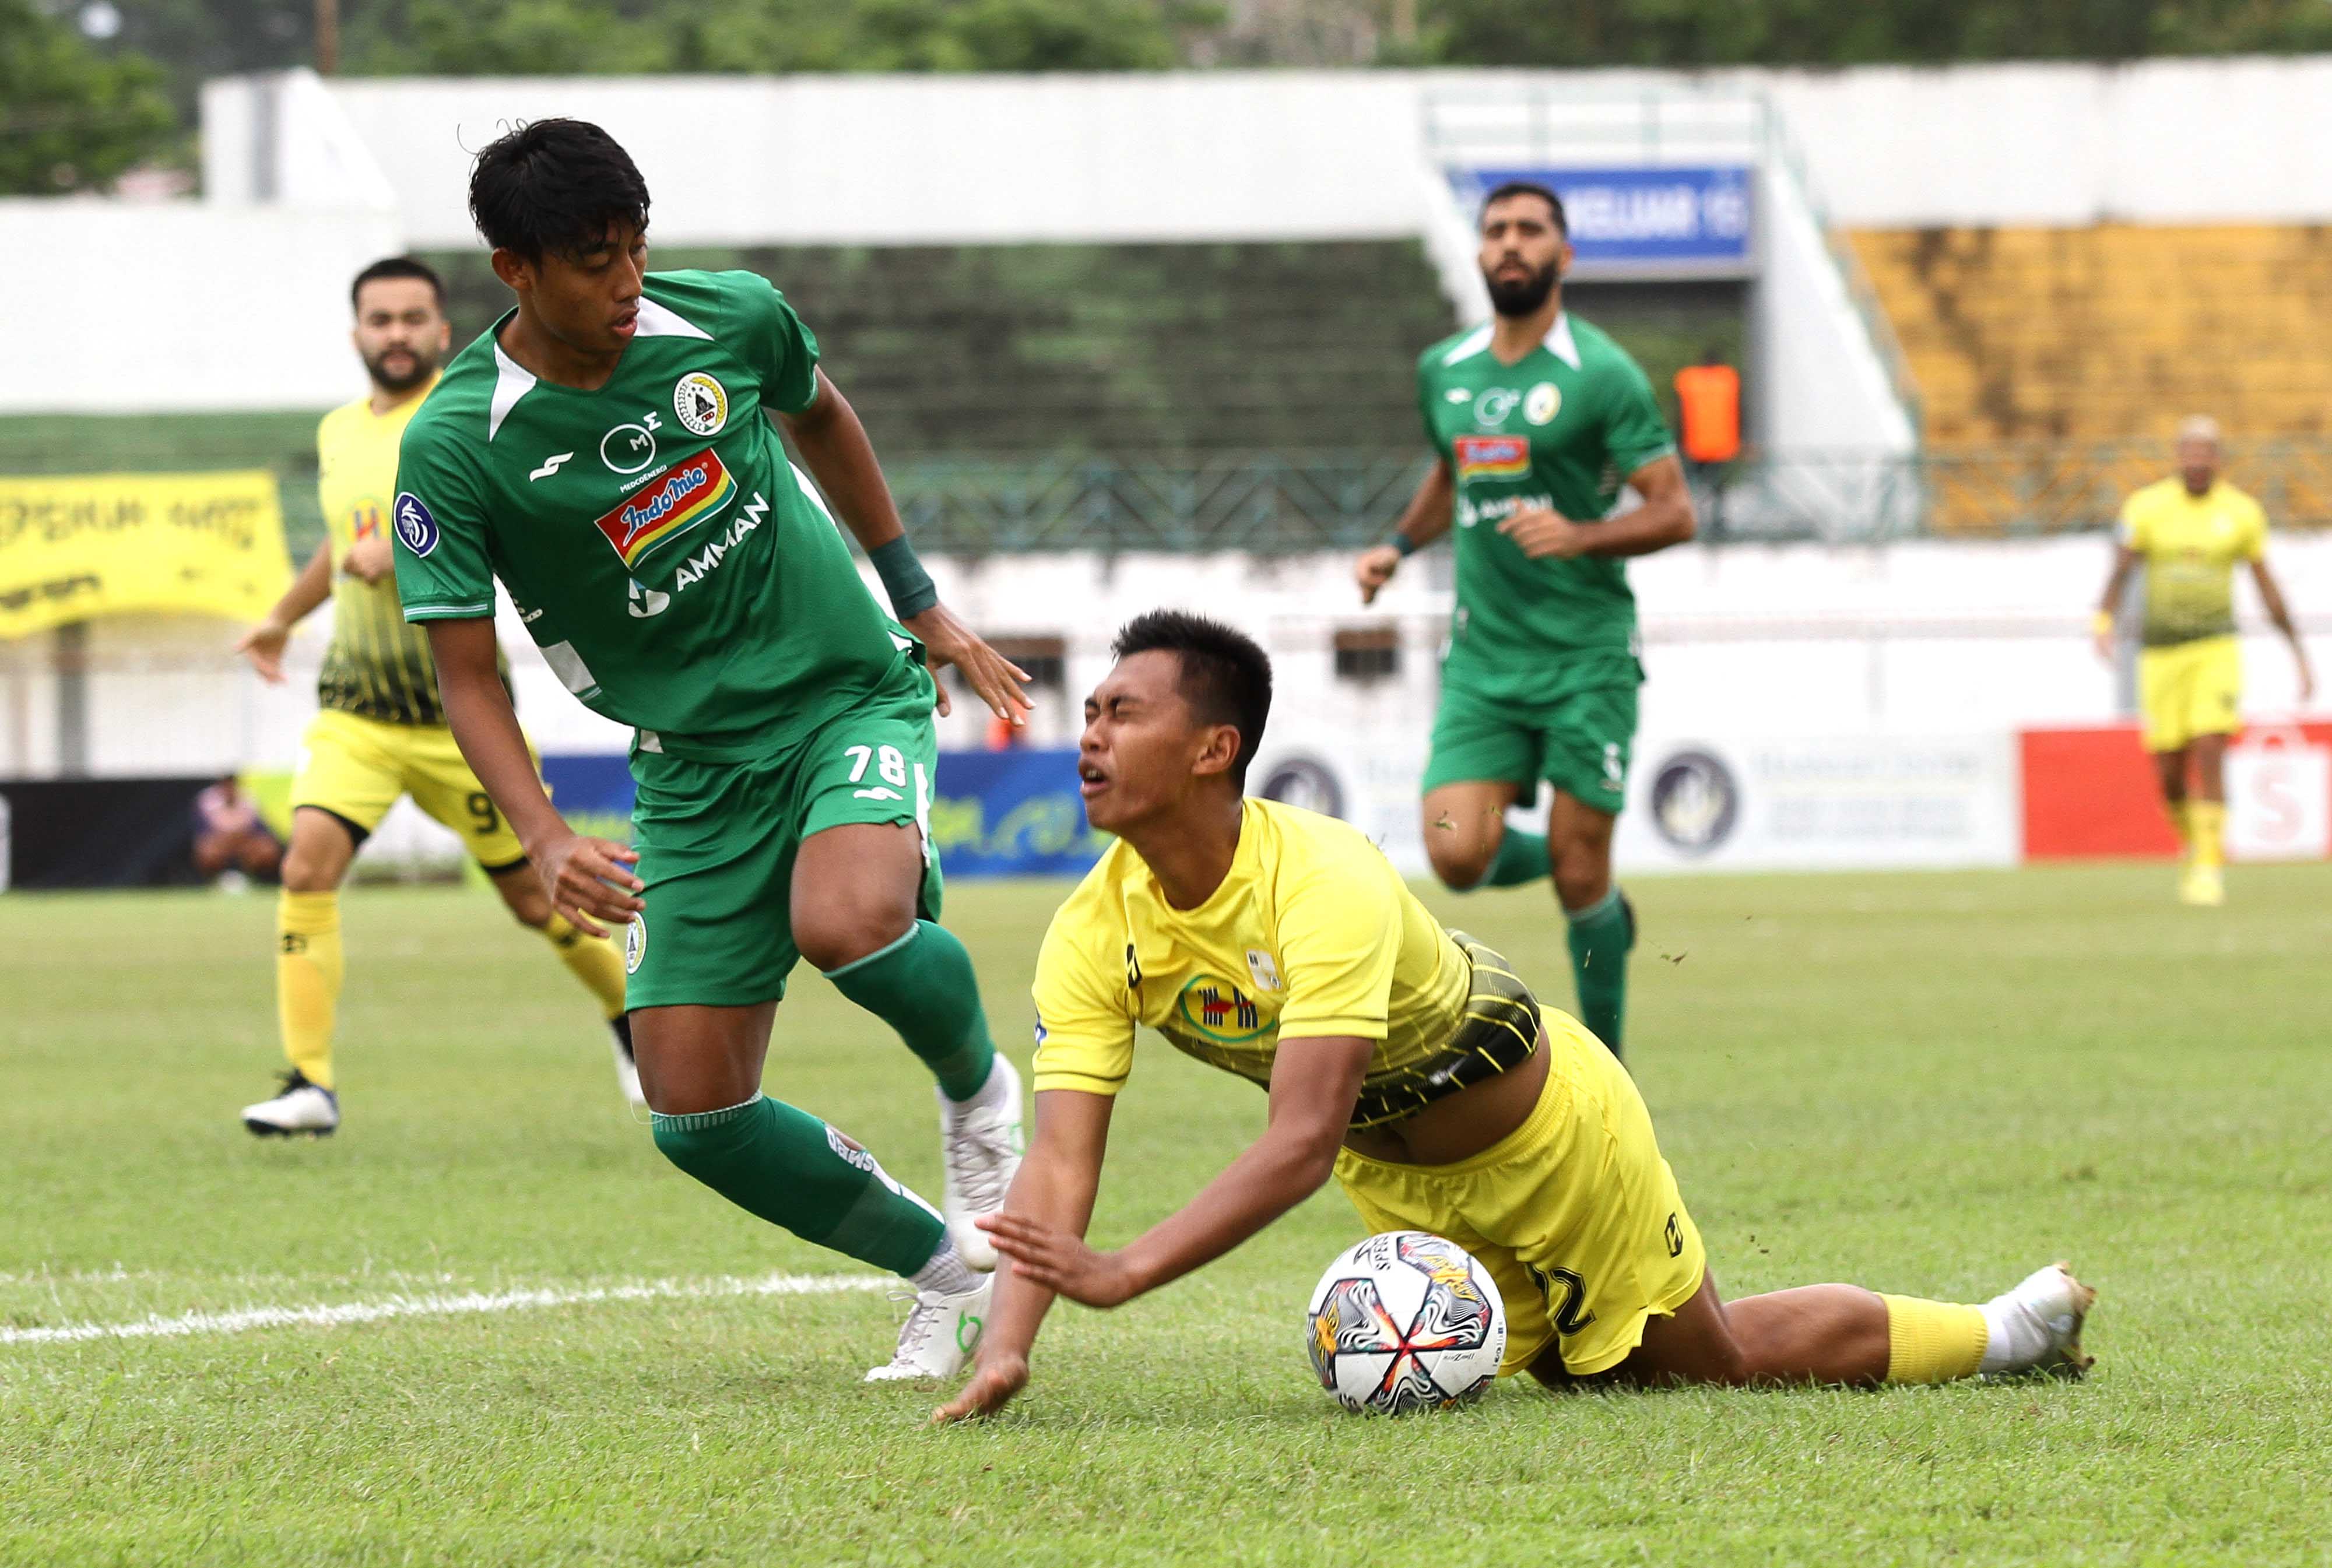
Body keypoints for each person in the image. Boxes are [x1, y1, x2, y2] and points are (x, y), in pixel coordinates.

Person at [936, 611, 2096, 1423]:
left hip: (1550, 1139)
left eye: (1118, 712)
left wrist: (1128, 1270)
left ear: (1210, 748)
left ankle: (2002, 1333)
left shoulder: (1322, 874)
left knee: (1707, 1371)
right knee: (1586, 1388)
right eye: (1085, 712)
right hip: (1398, 1189)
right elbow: (1058, 1160)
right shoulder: (1089, 933)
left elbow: (1296, 1141)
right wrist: (1007, 1347)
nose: (1084, 733)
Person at [391, 119, 1031, 1381]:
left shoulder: (730, 317)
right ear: (512, 270)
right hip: (688, 763)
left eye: (636, 250)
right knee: (692, 1111)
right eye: (592, 261)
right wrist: (544, 833)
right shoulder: (459, 441)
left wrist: (918, 600)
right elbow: (463, 670)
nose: (627, 284)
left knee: (844, 921)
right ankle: (945, 1273)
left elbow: (823, 414)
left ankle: (980, 1097)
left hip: (846, 691)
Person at [235, 256, 636, 1138]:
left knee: (539, 902)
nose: (396, 334)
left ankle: (629, 1019)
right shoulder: (339, 432)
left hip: (459, 718)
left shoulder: (467, 421)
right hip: (358, 712)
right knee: (306, 863)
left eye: (413, 318)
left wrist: (410, 558)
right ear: (357, 335)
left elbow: (513, 536)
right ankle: (310, 1082)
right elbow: (344, 544)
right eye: (380, 320)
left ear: (442, 331)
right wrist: (279, 619)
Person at [1353, 180, 1695, 1059]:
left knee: (1580, 872)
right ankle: (1599, 894)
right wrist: (1397, 543)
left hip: (1586, 654)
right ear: (1479, 253)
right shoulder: (1447, 369)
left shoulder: (1603, 373)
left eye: (1531, 231)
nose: (1512, 243)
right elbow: (1452, 471)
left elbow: (1674, 509)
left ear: (1563, 255)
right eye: (1497, 230)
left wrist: (1583, 534)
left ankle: (1609, 1073)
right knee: (1454, 852)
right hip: (1485, 658)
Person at [2092, 416, 2315, 906]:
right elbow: (2121, 569)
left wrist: (2298, 654)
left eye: (2205, 453)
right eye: (2188, 453)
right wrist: (2103, 621)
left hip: (2215, 648)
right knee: (2170, 769)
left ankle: (2208, 870)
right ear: (2177, 456)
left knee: (2211, 747)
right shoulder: (2148, 508)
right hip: (2161, 652)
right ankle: (2196, 842)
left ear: (2218, 459)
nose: (2196, 462)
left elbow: (2267, 586)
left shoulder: (2241, 513)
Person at [191, 774, 283, 888]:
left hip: (246, 840)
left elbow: (259, 828)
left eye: (231, 785)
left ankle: (260, 881)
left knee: (267, 850)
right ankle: (210, 883)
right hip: (220, 842)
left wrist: (241, 838)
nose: (228, 789)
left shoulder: (249, 797)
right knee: (208, 851)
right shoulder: (207, 800)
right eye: (225, 785)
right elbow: (203, 831)